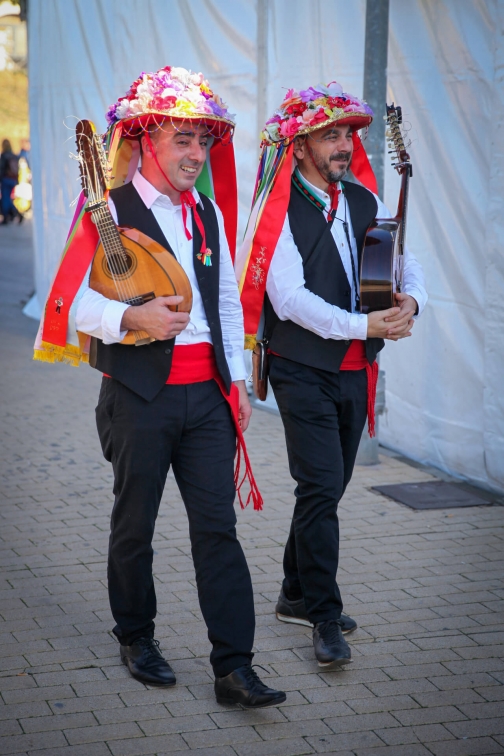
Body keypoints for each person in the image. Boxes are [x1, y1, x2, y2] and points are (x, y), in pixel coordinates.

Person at [34, 66, 285, 708]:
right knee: (135, 524)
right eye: (182, 140)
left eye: (203, 142)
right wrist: (130, 318)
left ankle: (234, 667)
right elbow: (66, 305)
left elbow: (227, 300)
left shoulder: (205, 211)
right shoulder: (108, 210)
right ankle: (136, 636)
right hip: (137, 395)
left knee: (217, 530)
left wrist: (238, 384)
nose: (196, 155)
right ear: (148, 141)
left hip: (206, 398)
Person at [236, 81, 427, 669]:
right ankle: (322, 613)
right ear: (299, 146)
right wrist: (366, 327)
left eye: (347, 134)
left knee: (329, 487)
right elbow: (289, 300)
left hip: (353, 370)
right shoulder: (277, 209)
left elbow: (404, 262)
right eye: (330, 135)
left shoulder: (365, 201)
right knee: (319, 486)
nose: (343, 145)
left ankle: (294, 591)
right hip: (302, 369)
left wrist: (411, 303)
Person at [0, 139, 20, 224]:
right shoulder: (13, 155)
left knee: (5, 199)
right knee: (7, 198)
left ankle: (11, 214)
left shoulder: (4, 155)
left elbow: (1, 168)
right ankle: (14, 213)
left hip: (6, 179)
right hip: (13, 179)